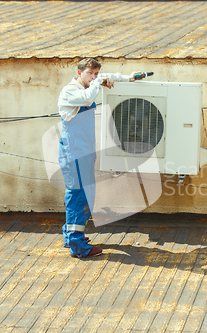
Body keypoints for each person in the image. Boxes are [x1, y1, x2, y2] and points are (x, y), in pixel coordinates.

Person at [57, 58, 140, 258]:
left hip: (83, 150)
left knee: (83, 195)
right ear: (79, 73)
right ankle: (78, 247)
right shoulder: (71, 92)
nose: (93, 77)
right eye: (89, 73)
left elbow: (105, 78)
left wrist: (127, 78)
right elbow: (87, 97)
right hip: (75, 151)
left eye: (96, 73)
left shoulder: (88, 85)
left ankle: (71, 236)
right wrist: (98, 82)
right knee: (78, 196)